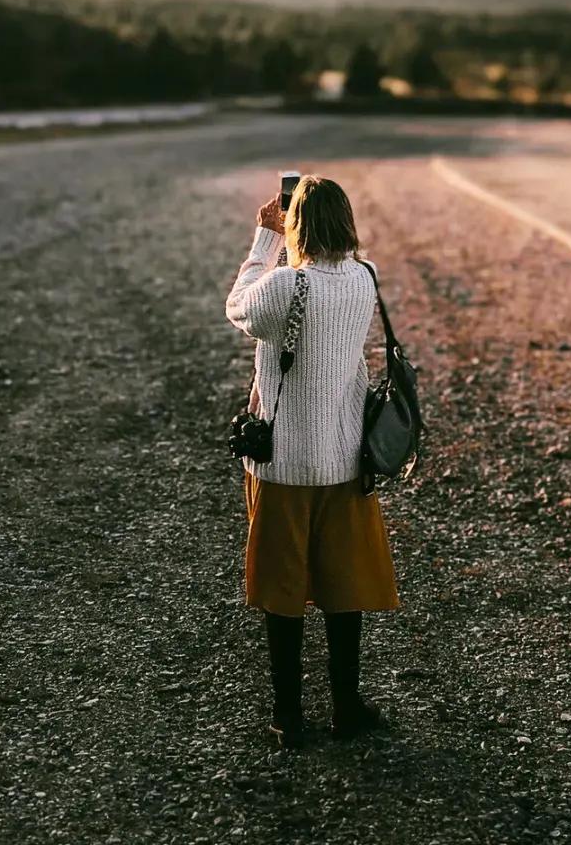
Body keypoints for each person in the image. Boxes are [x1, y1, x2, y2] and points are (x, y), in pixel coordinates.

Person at [225, 175, 401, 748]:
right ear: (347, 221)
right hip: (346, 462)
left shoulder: (284, 286)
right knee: (343, 589)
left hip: (283, 468)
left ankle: (289, 718)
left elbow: (237, 308)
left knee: (283, 593)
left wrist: (264, 238)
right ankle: (346, 710)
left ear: (294, 222)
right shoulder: (366, 278)